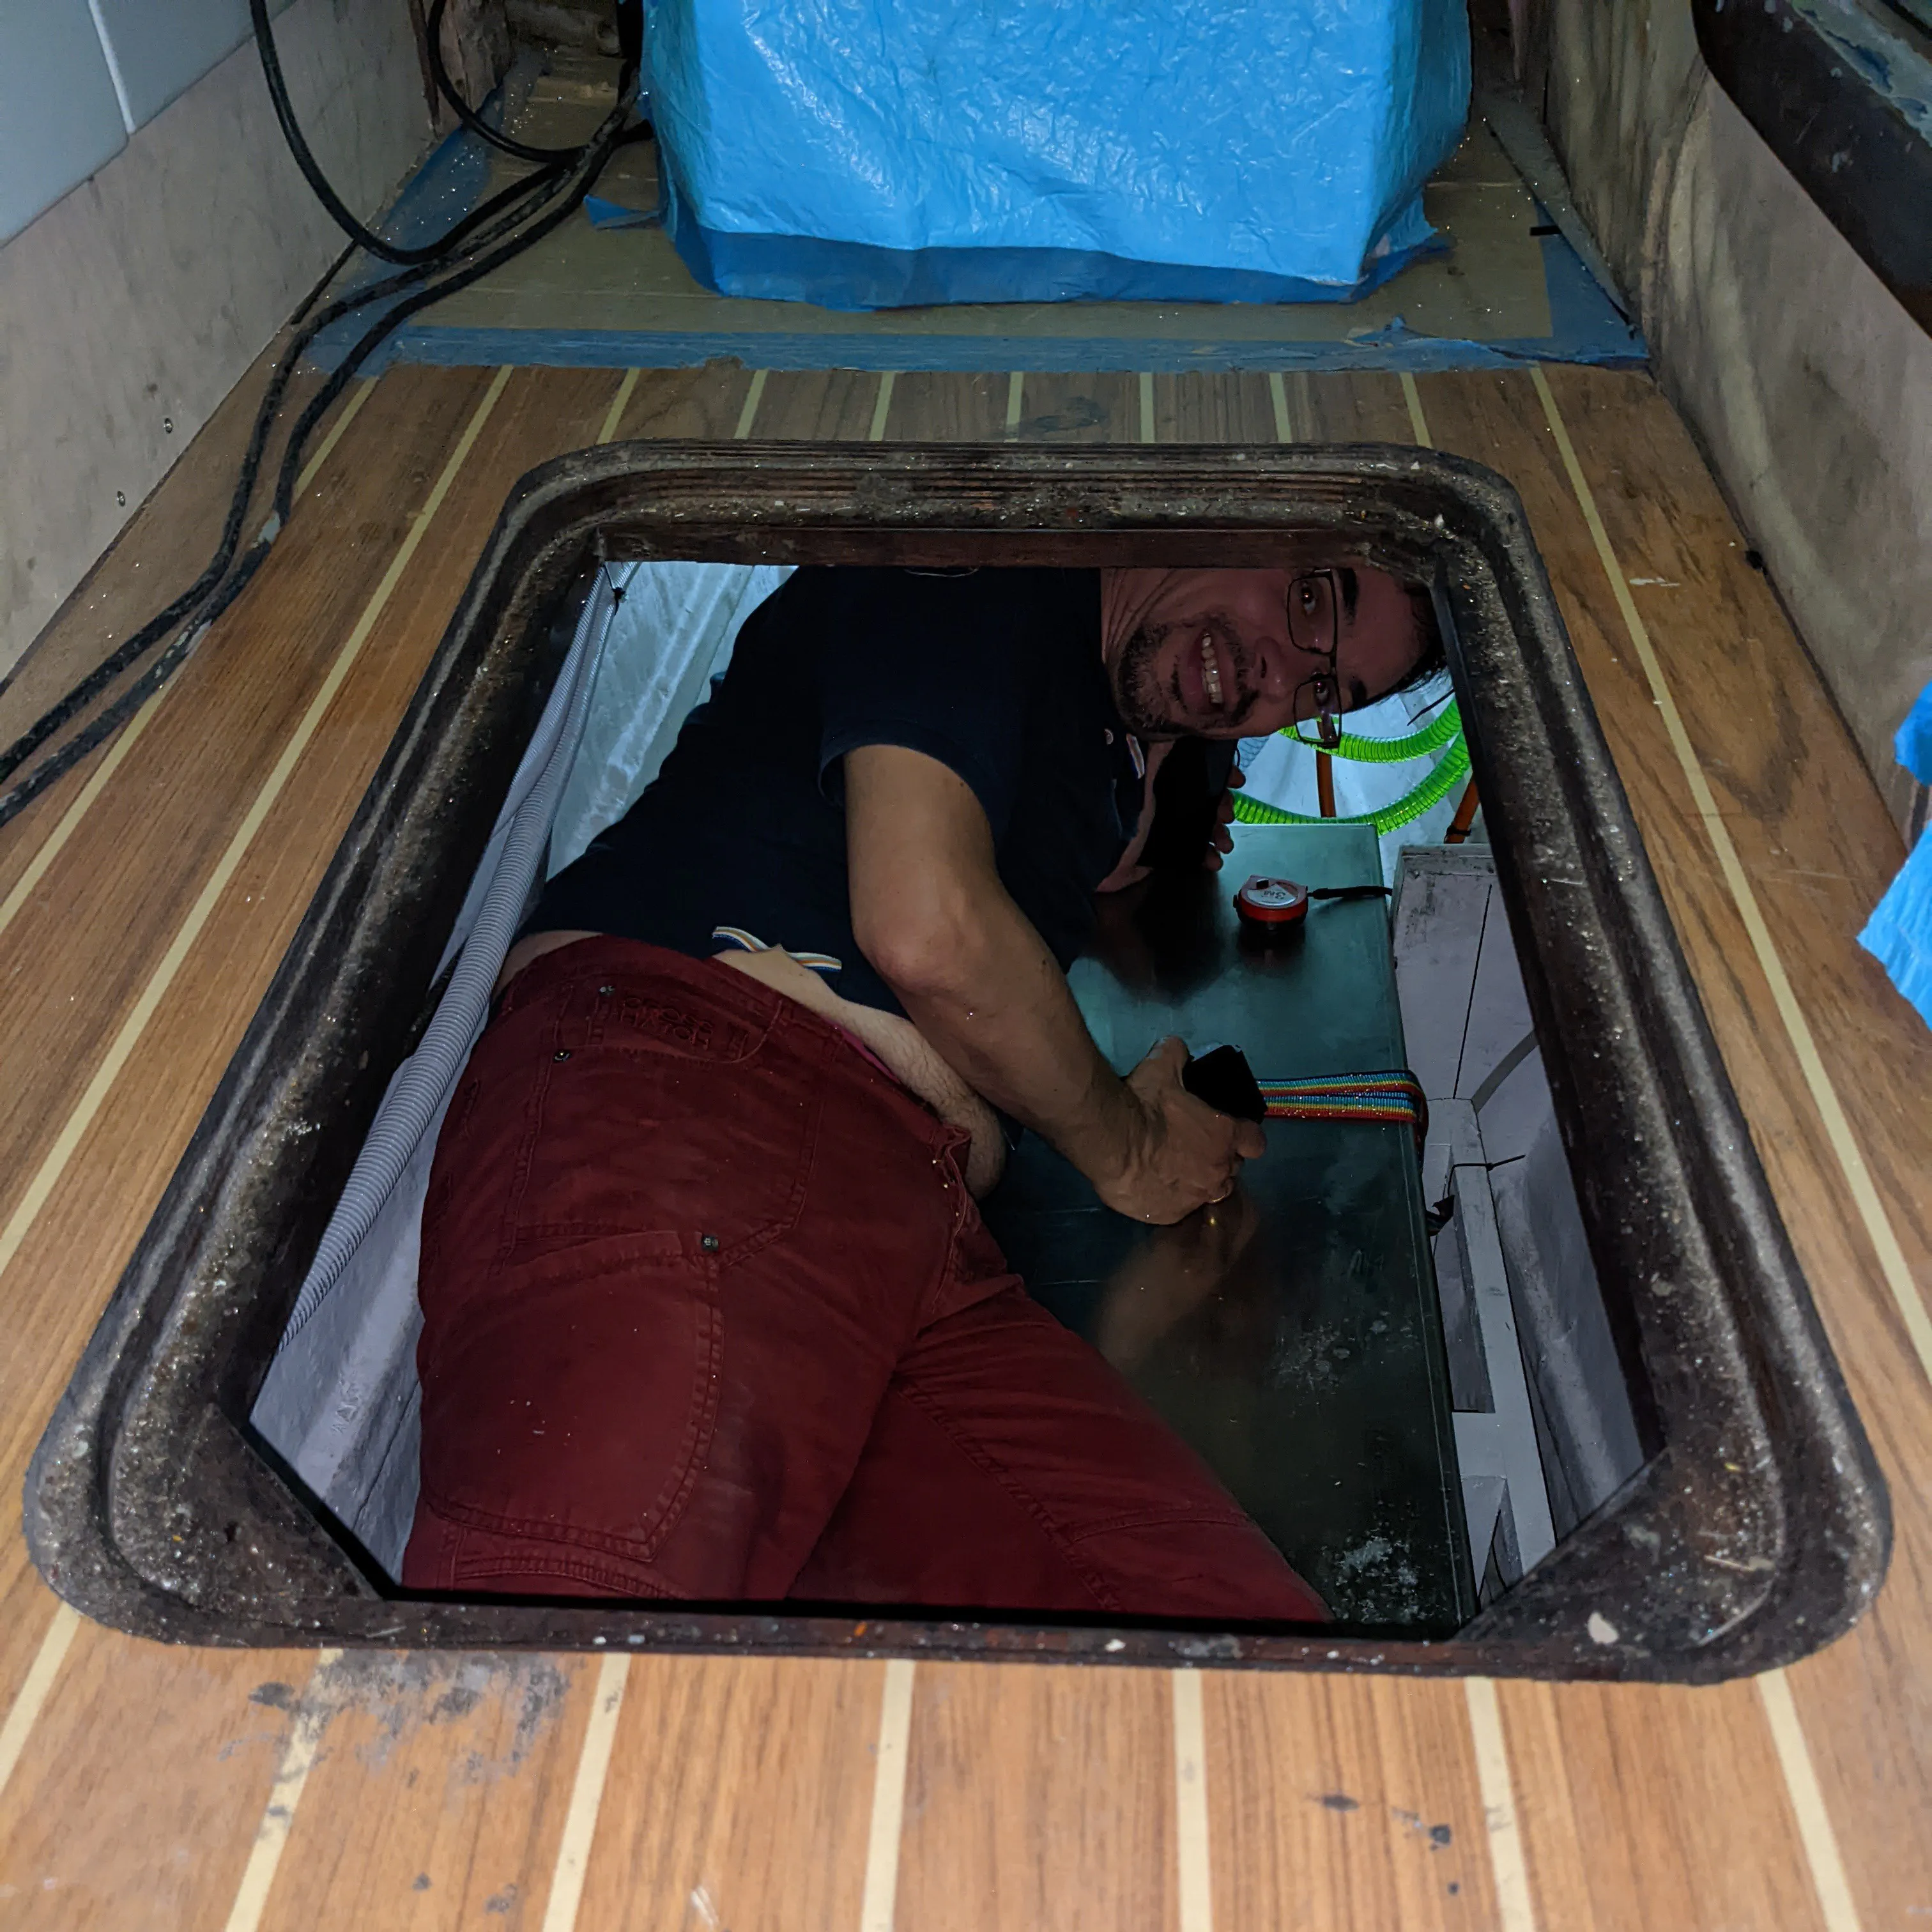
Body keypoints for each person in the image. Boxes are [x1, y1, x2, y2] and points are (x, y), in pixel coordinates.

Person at [402, 563, 1442, 1619]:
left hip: (919, 1229)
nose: (1283, 675)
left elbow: (1116, 847)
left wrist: (1180, 762)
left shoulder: (1101, 738)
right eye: (1315, 600)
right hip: (701, 1098)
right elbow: (929, 928)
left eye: (1325, 696)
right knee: (564, 1668)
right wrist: (1128, 1143)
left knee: (1232, 1655)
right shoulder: (970, 558)